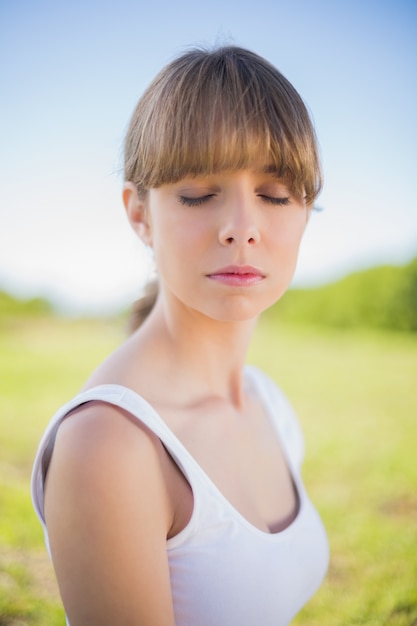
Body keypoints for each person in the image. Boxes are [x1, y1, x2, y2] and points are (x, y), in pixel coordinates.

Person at [31, 45, 329, 626]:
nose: (241, 228)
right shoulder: (110, 445)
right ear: (139, 213)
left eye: (274, 195)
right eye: (198, 193)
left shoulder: (269, 403)